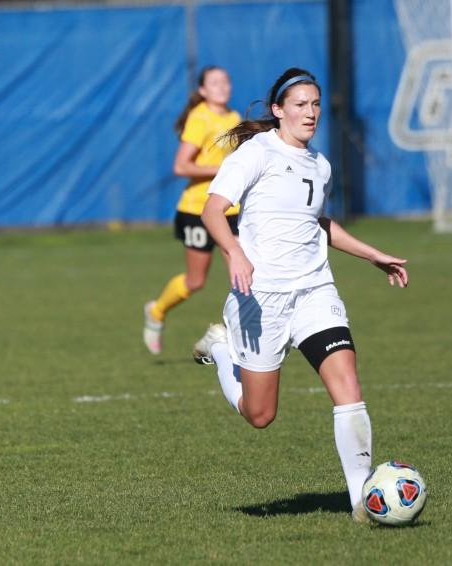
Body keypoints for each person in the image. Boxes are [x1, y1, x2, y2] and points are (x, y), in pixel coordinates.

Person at [192, 68, 409, 523]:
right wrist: (233, 253)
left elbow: (318, 223)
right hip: (260, 297)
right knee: (260, 414)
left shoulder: (320, 163)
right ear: (278, 110)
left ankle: (360, 504)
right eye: (300, 105)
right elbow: (213, 211)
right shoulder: (256, 154)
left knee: (348, 385)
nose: (310, 113)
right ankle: (220, 347)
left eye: (315, 104)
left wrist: (372, 255)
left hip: (313, 291)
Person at [143, 66, 242, 355]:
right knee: (195, 281)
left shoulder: (235, 118)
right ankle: (157, 311)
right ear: (202, 90)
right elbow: (181, 166)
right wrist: (223, 169)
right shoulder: (200, 118)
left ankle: (234, 340)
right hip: (197, 210)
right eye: (214, 82)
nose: (222, 86)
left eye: (225, 80)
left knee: (242, 272)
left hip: (230, 209)